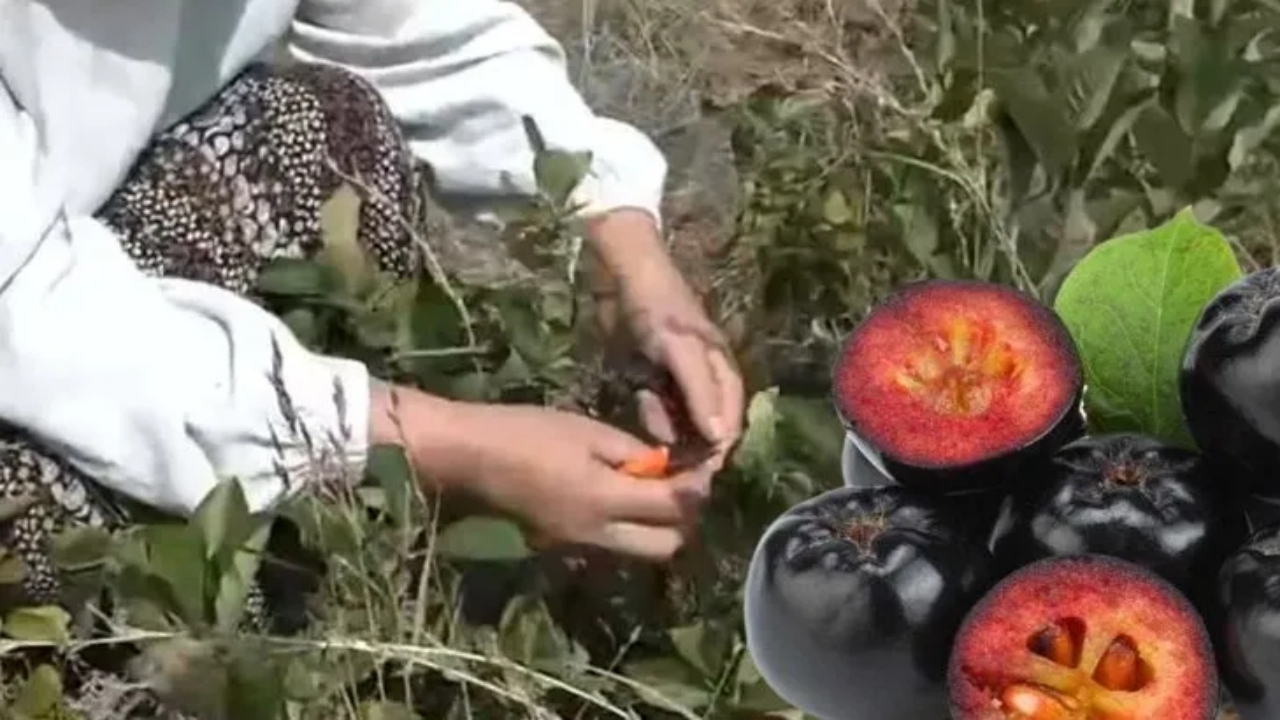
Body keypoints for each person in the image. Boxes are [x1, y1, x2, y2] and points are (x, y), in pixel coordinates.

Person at [0, 0, 745, 607]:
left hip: (54, 217)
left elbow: (415, 25)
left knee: (324, 125)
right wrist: (442, 443)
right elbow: (36, 317)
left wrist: (624, 251)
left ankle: (288, 519)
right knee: (35, 496)